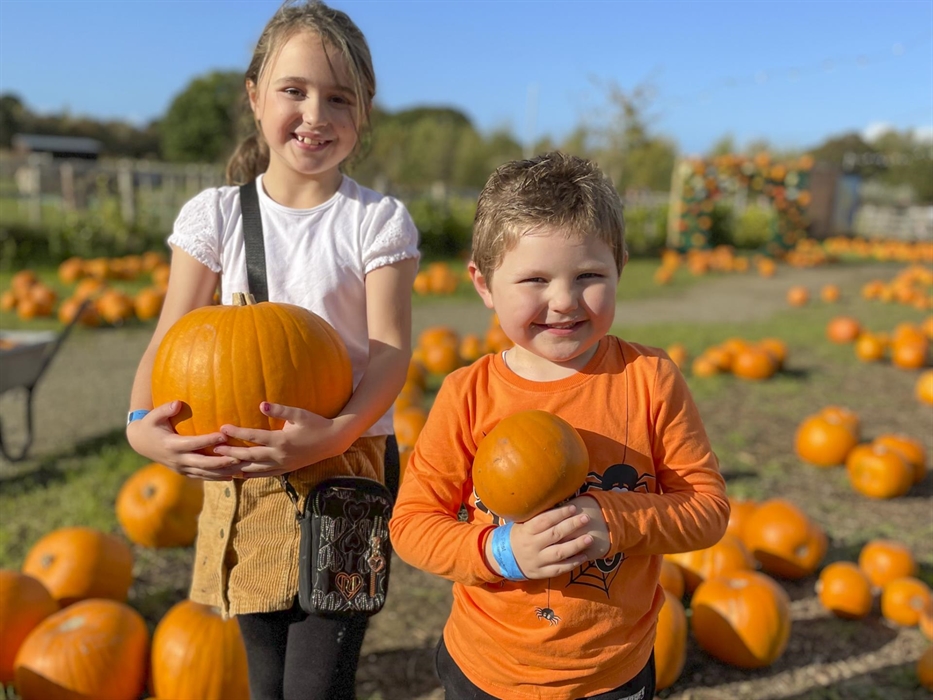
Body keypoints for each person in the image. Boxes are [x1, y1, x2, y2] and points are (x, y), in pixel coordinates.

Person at [125, 1, 419, 697]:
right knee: (266, 678)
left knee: (317, 684)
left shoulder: (375, 221)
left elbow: (390, 352)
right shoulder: (217, 216)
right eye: (294, 90)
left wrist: (332, 433)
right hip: (246, 469)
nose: (315, 114)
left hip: (345, 466)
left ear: (363, 110)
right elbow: (170, 336)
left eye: (338, 97)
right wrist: (140, 427)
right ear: (255, 98)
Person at [389, 151, 729, 700]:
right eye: (535, 279)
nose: (565, 301)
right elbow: (411, 525)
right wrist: (502, 553)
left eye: (589, 276)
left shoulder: (650, 378)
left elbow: (707, 512)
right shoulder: (466, 395)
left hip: (611, 672)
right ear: (483, 283)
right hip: (487, 667)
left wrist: (615, 520)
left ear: (620, 267)